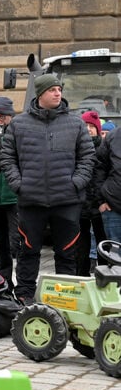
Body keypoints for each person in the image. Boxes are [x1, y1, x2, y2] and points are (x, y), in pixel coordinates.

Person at [0, 73, 95, 303]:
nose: (58, 93)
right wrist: (19, 184)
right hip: (31, 201)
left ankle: (65, 297)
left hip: (67, 201)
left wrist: (75, 183)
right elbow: (7, 157)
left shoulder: (75, 123)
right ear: (40, 93)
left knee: (67, 253)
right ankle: (24, 295)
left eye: (59, 89)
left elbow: (87, 157)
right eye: (52, 90)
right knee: (28, 251)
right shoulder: (19, 124)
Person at [0, 97, 20, 291]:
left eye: (1, 116)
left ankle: (22, 282)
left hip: (14, 196)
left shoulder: (19, 132)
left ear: (10, 115)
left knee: (17, 242)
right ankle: (4, 281)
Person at [78, 110, 107, 274]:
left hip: (99, 203)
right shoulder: (76, 148)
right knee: (80, 245)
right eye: (85, 126)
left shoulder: (104, 148)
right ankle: (80, 275)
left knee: (103, 242)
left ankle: (103, 276)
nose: (88, 129)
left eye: (92, 126)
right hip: (80, 203)